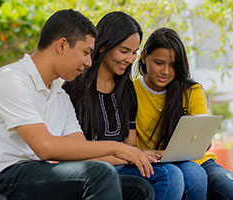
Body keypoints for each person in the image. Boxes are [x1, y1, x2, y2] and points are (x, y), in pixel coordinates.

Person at [0, 9, 157, 200]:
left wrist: (133, 155)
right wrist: (117, 148)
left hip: (39, 173)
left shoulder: (60, 96)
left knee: (138, 189)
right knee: (100, 175)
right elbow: (45, 147)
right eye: (86, 52)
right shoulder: (12, 78)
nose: (89, 62)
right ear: (62, 45)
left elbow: (81, 150)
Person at [63, 11, 207, 200]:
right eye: (124, 51)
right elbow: (72, 152)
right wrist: (125, 155)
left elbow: (130, 144)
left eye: (133, 53)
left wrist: (144, 155)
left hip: (123, 166)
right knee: (170, 175)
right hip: (90, 169)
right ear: (102, 46)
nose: (130, 59)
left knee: (177, 173)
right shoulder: (75, 88)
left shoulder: (126, 89)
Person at [134, 27, 233, 200]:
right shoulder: (130, 91)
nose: (166, 71)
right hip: (155, 164)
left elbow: (203, 142)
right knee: (193, 177)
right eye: (159, 63)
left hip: (198, 161)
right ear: (144, 57)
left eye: (173, 65)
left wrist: (171, 151)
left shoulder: (191, 90)